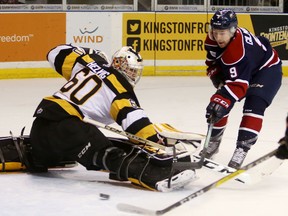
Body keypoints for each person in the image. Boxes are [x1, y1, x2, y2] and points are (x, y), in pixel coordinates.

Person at [0, 44, 197, 192]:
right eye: (130, 70)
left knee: (71, 144)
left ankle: (31, 153)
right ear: (120, 66)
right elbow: (134, 123)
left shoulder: (88, 63)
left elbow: (54, 53)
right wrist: (156, 141)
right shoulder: (120, 88)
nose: (132, 75)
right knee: (109, 153)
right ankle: (153, 173)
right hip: (69, 127)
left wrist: (89, 53)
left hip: (41, 125)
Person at [204, 9, 282, 169]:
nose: (218, 37)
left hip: (266, 69)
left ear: (233, 31)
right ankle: (214, 142)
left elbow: (240, 85)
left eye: (222, 33)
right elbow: (212, 63)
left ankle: (242, 148)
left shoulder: (238, 51)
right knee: (218, 106)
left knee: (254, 104)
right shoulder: (213, 39)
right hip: (244, 69)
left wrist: (221, 99)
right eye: (215, 32)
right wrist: (217, 77)